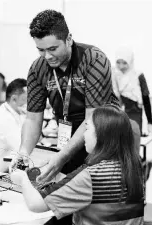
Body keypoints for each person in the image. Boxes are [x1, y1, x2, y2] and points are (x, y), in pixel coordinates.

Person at [10, 9, 119, 181]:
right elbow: (32, 119)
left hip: (100, 137)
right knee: (67, 193)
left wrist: (62, 156)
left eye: (53, 48)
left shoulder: (93, 59)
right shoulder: (38, 69)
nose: (47, 56)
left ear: (68, 39)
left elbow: (92, 119)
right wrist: (23, 152)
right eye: (41, 50)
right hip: (68, 137)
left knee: (96, 195)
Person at [11, 105, 145, 225]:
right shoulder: (134, 166)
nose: (84, 135)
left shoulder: (91, 176)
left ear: (101, 134)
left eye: (87, 128)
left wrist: (23, 177)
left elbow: (36, 204)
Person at [0, 78, 27, 173]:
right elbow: (22, 148)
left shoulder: (15, 112)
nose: (28, 103)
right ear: (14, 99)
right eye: (25, 99)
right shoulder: (4, 118)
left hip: (4, 169)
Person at [112, 46, 152, 134]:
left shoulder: (138, 75)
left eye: (124, 63)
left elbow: (145, 97)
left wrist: (150, 121)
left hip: (135, 111)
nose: (121, 66)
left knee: (133, 137)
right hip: (119, 112)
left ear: (130, 61)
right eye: (118, 62)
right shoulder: (114, 74)